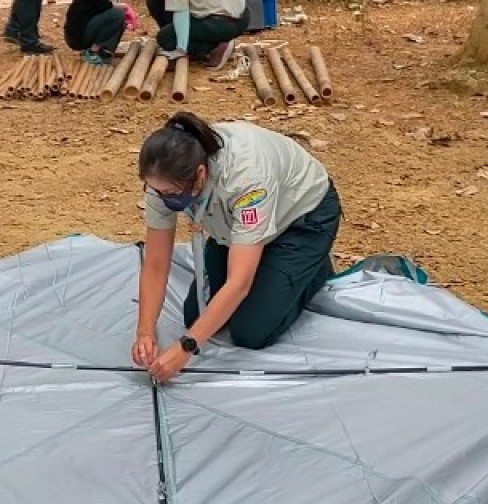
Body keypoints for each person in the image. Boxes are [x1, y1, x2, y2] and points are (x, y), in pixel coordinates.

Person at [132, 113, 342, 380]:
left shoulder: (247, 177)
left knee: (251, 330)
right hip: (233, 227)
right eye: (157, 192)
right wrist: (145, 331)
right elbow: (155, 264)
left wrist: (186, 348)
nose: (164, 199)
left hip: (300, 220)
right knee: (195, 316)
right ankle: (265, 262)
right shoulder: (163, 181)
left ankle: (314, 267)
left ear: (200, 174)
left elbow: (239, 283)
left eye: (172, 194)